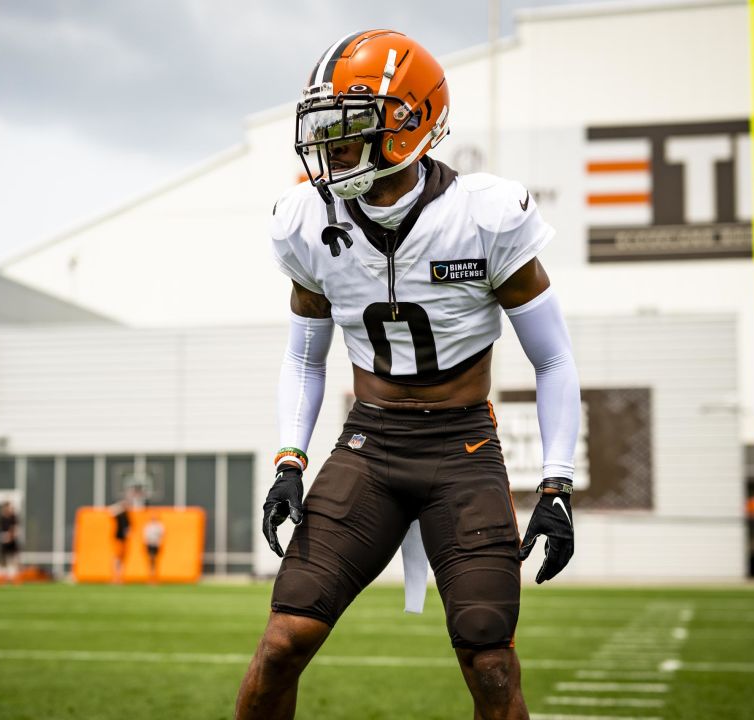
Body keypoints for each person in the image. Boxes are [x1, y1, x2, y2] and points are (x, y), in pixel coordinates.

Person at [235, 30, 580, 720]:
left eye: (348, 128)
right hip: (370, 445)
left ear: (408, 125)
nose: (329, 147)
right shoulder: (307, 221)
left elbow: (554, 358)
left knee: (489, 660)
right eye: (324, 128)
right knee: (282, 642)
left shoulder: (482, 216)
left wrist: (557, 483)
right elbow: (306, 353)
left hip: (463, 450)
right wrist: (288, 461)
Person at [0, 501, 20, 580]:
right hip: (5, 542)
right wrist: (6, 536)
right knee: (4, 560)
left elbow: (15, 528)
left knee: (13, 559)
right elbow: (1, 530)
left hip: (12, 542)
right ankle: (4, 577)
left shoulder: (13, 517)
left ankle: (13, 577)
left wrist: (11, 535)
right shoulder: (2, 518)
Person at [143, 512, 165, 583]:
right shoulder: (148, 526)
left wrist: (160, 543)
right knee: (150, 560)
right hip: (150, 544)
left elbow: (162, 536)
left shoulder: (159, 526)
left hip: (156, 544)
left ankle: (154, 577)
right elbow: (145, 536)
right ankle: (150, 577)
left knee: (155, 561)